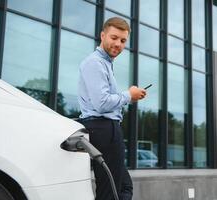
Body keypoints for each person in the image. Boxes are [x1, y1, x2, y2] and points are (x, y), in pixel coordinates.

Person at [77, 17, 147, 200]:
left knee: (123, 186)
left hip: (106, 128)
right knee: (111, 191)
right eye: (114, 38)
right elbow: (101, 103)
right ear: (102, 35)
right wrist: (129, 95)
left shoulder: (106, 63)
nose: (118, 44)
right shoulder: (95, 63)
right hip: (103, 128)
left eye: (123, 41)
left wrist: (129, 97)